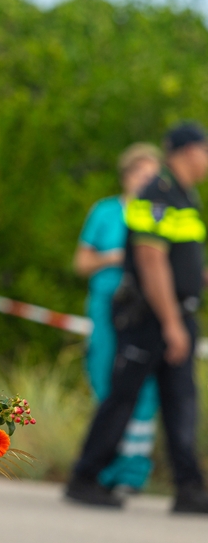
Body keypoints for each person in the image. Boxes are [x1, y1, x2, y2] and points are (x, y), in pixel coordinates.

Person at [66, 122, 208, 514]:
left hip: (174, 314)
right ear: (188, 151)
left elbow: (180, 263)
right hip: (151, 318)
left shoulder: (184, 197)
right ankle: (86, 476)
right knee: (122, 396)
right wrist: (172, 322)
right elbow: (150, 259)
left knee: (181, 400)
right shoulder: (158, 194)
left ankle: (189, 488)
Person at [73, 143, 161, 492]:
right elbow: (81, 262)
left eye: (154, 175)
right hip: (108, 306)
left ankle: (132, 472)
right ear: (127, 176)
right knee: (107, 381)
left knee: (144, 388)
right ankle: (102, 468)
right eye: (141, 173)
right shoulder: (106, 212)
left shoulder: (160, 214)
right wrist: (113, 258)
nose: (147, 181)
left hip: (145, 311)